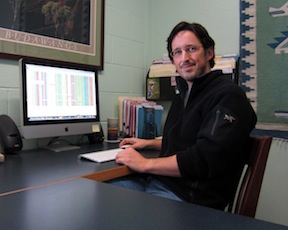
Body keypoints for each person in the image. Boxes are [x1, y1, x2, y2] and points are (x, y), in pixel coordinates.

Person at [108, 21, 257, 210]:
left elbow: (204, 158)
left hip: (189, 200)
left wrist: (145, 164)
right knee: (94, 193)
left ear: (209, 52)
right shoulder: (186, 93)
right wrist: (150, 143)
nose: (184, 58)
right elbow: (189, 137)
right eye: (177, 52)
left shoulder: (228, 96)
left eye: (191, 49)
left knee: (105, 207)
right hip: (161, 183)